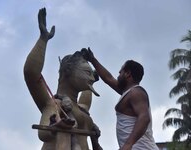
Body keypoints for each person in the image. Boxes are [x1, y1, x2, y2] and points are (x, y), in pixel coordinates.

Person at [23, 8, 102, 150]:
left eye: (91, 74)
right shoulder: (53, 103)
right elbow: (31, 73)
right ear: (67, 72)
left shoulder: (83, 109)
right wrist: (43, 39)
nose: (90, 77)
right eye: (86, 72)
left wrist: (93, 80)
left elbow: (86, 97)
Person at [83, 48, 159, 150]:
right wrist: (93, 60)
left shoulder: (136, 92)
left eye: (121, 71)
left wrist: (128, 144)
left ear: (128, 74)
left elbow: (144, 118)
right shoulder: (127, 93)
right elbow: (108, 78)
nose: (118, 72)